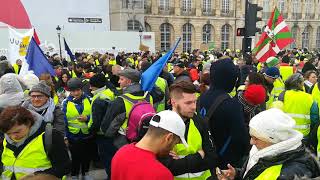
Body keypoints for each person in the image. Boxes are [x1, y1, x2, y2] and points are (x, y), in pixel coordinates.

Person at [217, 108, 320, 180]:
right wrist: (237, 174)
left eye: (256, 138)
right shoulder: (264, 150)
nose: (251, 142)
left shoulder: (291, 174)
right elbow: (257, 173)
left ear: (274, 140)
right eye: (251, 136)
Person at [198, 58, 250, 169]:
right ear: (231, 80)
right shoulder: (231, 104)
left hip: (203, 158)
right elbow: (240, 138)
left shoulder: (200, 98)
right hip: (225, 163)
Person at [160, 81, 218, 179]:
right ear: (173, 102)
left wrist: (181, 162)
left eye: (195, 101)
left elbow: (212, 159)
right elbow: (166, 166)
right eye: (188, 103)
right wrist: (199, 156)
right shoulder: (161, 124)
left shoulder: (200, 121)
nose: (194, 107)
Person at [111, 110, 187, 180]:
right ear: (169, 138)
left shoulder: (120, 153)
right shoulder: (162, 175)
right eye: (175, 143)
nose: (172, 148)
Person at [0, 106, 70, 179]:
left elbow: (64, 167)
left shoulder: (50, 136)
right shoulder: (6, 139)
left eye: (17, 132)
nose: (13, 137)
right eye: (8, 133)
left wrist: (38, 176)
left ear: (28, 123)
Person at [101, 68, 161, 148]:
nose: (118, 82)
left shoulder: (120, 101)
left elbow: (107, 128)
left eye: (121, 79)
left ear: (129, 82)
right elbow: (160, 95)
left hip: (124, 142)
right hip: (144, 138)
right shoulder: (149, 97)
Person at [62, 78, 94, 180]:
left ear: (81, 89)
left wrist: (87, 118)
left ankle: (86, 173)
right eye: (73, 91)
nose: (75, 93)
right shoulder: (65, 103)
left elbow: (94, 116)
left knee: (87, 156)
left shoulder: (90, 99)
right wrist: (65, 137)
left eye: (77, 90)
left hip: (87, 135)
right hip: (73, 136)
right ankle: (74, 174)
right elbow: (63, 121)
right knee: (75, 157)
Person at [88, 74, 116, 177]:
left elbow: (96, 121)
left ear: (96, 85)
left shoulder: (99, 99)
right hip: (112, 131)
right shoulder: (109, 93)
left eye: (91, 85)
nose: (90, 88)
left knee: (107, 158)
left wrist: (91, 131)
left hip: (102, 134)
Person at [273, 73, 318, 139]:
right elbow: (315, 118)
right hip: (303, 135)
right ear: (300, 84)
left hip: (286, 134)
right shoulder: (309, 98)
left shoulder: (282, 95)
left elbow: (276, 113)